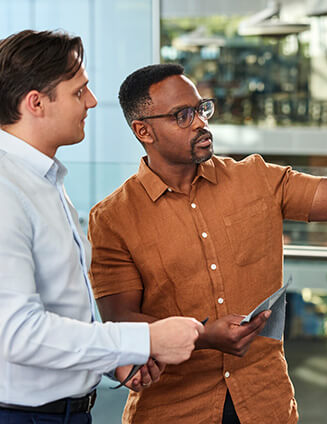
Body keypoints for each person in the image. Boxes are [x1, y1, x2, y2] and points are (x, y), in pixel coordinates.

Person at [88, 63, 327, 424]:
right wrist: (203, 336)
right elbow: (121, 322)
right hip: (173, 410)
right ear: (144, 130)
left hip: (265, 403)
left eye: (202, 109)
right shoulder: (113, 218)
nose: (201, 123)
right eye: (182, 115)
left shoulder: (256, 177)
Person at [0, 32, 204, 424]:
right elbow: (17, 334)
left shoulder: (43, 179)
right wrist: (145, 338)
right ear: (36, 103)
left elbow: (63, 310)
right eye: (79, 93)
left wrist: (116, 360)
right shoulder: (7, 190)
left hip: (65, 411)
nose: (92, 102)